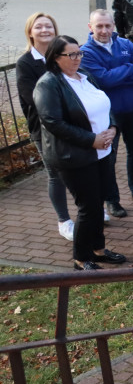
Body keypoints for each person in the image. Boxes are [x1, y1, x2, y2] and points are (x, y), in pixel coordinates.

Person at [33, 35, 127, 271]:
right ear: (56, 57)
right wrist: (91, 140)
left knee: (98, 203)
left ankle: (99, 249)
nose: (77, 58)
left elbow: (104, 104)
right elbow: (53, 122)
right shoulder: (48, 84)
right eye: (71, 54)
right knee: (88, 207)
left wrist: (113, 127)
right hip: (74, 156)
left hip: (102, 152)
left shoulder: (85, 76)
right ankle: (81, 257)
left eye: (79, 53)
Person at [81, 9, 133, 217]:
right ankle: (111, 200)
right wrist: (128, 68)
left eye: (108, 26)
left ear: (113, 26)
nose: (104, 30)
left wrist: (117, 75)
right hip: (107, 115)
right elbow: (102, 81)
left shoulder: (126, 45)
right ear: (90, 27)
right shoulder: (85, 52)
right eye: (99, 26)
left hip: (132, 108)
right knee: (109, 157)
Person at [16, 13, 74, 240]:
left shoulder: (62, 56)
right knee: (55, 174)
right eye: (38, 27)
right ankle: (64, 221)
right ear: (30, 32)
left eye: (48, 26)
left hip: (71, 124)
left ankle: (92, 210)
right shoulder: (25, 63)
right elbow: (33, 99)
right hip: (44, 130)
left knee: (82, 169)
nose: (44, 30)